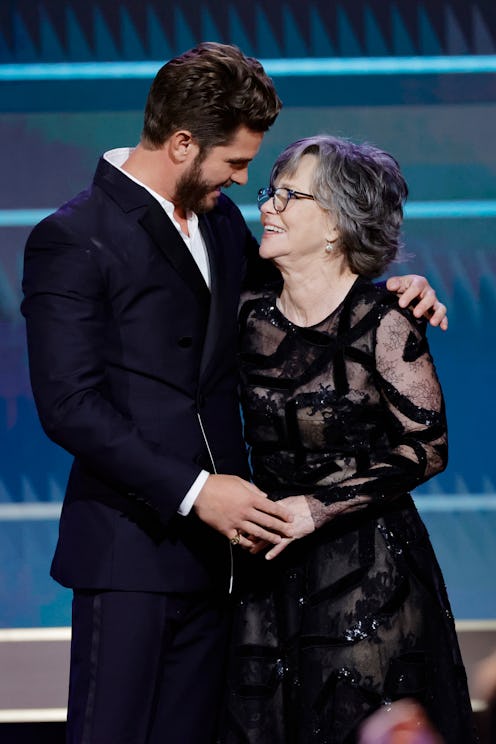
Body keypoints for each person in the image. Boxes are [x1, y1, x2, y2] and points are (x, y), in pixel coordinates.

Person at [21, 42, 447, 744]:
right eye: (237, 163)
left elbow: (299, 302)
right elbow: (69, 405)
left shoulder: (216, 220)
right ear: (183, 142)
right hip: (131, 550)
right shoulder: (74, 238)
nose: (246, 182)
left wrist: (393, 292)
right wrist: (195, 490)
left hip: (226, 562)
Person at [221, 135, 476, 744]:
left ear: (336, 224)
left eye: (290, 195)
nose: (269, 207)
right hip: (267, 569)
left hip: (368, 574)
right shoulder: (243, 309)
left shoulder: (383, 322)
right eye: (269, 192)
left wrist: (317, 509)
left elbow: (427, 448)